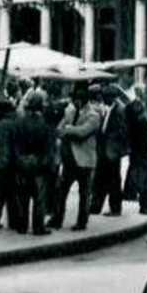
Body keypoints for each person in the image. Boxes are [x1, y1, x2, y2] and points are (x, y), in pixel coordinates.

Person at [50, 89, 100, 231]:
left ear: (83, 100)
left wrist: (68, 128)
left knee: (84, 194)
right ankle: (56, 219)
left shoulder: (93, 115)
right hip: (70, 159)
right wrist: (69, 128)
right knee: (61, 191)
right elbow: (58, 129)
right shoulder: (70, 112)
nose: (74, 102)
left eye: (77, 99)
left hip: (85, 160)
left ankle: (81, 222)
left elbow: (83, 132)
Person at [14, 89, 57, 236]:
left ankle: (22, 226)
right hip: (39, 166)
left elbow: (16, 144)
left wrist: (21, 160)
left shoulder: (20, 122)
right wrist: (45, 163)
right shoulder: (44, 124)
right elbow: (48, 147)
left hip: (23, 164)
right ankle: (38, 227)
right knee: (39, 198)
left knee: (23, 197)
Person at [90, 86, 129, 216]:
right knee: (101, 178)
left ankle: (115, 208)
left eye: (105, 97)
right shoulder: (109, 109)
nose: (102, 99)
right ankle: (96, 206)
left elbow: (123, 131)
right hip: (104, 149)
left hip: (112, 150)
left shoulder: (119, 110)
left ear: (111, 97)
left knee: (113, 180)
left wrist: (114, 144)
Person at [0, 92, 22, 231]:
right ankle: (12, 221)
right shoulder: (14, 124)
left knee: (0, 193)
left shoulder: (0, 125)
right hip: (10, 162)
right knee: (11, 193)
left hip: (0, 160)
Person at [123, 86, 147, 215]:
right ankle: (145, 205)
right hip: (138, 147)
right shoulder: (133, 108)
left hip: (145, 147)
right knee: (143, 177)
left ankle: (143, 203)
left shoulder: (146, 106)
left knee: (143, 175)